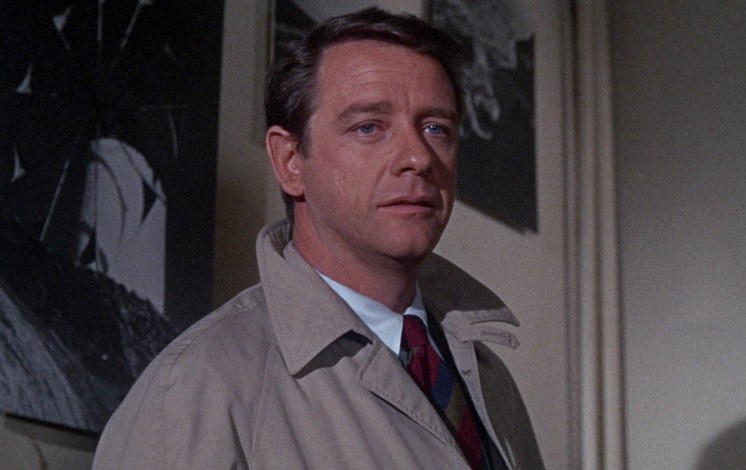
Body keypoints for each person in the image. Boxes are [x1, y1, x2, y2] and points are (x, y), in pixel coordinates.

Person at [92, 8, 544, 469]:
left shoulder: (488, 381)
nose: (418, 157)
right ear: (290, 160)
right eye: (368, 127)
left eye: (436, 128)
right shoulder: (197, 387)